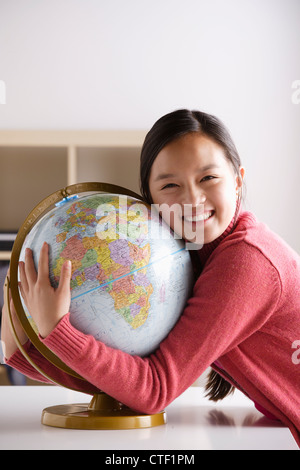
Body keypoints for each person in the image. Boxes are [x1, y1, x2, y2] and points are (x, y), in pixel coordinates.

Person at [1, 109, 300, 446]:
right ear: (149, 200)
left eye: (208, 178)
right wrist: (25, 348)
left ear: (238, 181)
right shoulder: (186, 258)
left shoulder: (247, 263)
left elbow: (154, 390)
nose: (191, 199)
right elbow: (127, 382)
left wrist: (58, 331)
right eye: (170, 185)